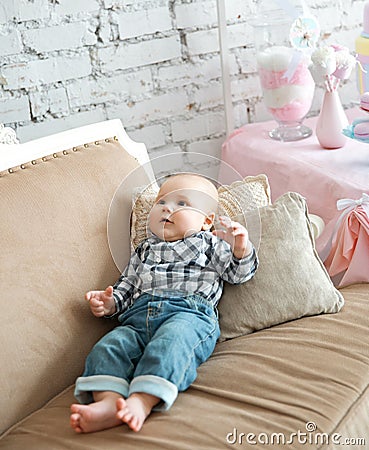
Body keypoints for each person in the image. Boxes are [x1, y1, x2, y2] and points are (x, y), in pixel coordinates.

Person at [70, 173, 258, 433]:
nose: (168, 208)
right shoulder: (145, 249)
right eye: (162, 202)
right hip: (137, 319)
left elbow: (238, 274)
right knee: (110, 346)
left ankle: (142, 401)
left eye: (182, 204)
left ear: (206, 221)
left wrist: (241, 249)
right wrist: (109, 302)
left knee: (171, 344)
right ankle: (108, 402)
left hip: (189, 314)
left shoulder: (210, 244)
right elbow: (127, 287)